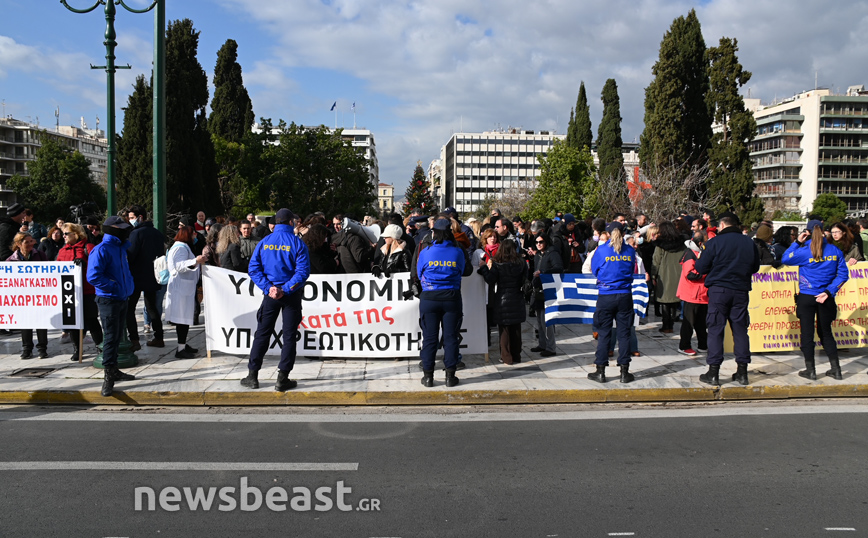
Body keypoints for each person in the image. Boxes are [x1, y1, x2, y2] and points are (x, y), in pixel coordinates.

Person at [240, 208, 310, 391]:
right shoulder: (298, 244)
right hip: (291, 295)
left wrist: (269, 288)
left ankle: (252, 375)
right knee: (289, 337)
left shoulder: (264, 242)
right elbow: (302, 272)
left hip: (270, 295)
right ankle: (282, 378)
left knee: (262, 333)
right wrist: (285, 289)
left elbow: (253, 269)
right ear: (290, 223)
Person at [693, 213, 760, 386]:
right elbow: (755, 267)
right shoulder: (749, 242)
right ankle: (742, 372)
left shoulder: (714, 242)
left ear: (722, 225)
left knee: (715, 329)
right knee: (740, 330)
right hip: (740, 290)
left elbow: (700, 267)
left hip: (719, 290)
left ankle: (714, 372)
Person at [782, 220, 849, 380]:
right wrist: (828, 292)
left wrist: (797, 242)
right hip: (826, 297)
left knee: (807, 334)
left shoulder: (804, 250)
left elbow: (785, 258)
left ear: (808, 232)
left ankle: (810, 370)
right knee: (826, 333)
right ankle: (836, 369)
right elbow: (843, 275)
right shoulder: (835, 250)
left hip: (806, 296)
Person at [416, 219, 472, 387]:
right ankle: (450, 376)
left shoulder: (426, 252)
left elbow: (420, 274)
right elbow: (463, 271)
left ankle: (428, 377)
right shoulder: (457, 252)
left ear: (434, 233)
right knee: (451, 338)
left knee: (430, 338)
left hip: (429, 298)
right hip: (451, 298)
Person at [86, 216, 137, 397]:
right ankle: (108, 376)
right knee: (110, 338)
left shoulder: (120, 248)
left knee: (115, 338)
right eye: (121, 228)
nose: (125, 231)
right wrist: (114, 286)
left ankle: (114, 369)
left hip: (122, 297)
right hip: (109, 299)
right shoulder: (102, 249)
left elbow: (124, 271)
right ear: (111, 229)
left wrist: (126, 286)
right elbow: (93, 276)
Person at [588, 222, 638, 383]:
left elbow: (595, 270)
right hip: (624, 294)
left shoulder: (601, 250)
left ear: (608, 234)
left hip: (606, 295)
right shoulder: (630, 250)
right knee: (624, 334)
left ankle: (600, 370)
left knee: (604, 333)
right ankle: (624, 371)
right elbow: (632, 270)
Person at [56, 223, 103, 361]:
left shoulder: (88, 248)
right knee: (73, 322)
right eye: (63, 233)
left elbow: (97, 266)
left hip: (88, 291)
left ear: (75, 234)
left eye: (66, 233)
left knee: (91, 319)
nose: (63, 236)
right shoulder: (63, 251)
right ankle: (77, 348)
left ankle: (100, 346)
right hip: (70, 292)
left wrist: (83, 263)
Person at [478, 239, 526, 365]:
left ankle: (506, 357)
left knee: (504, 330)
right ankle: (517, 356)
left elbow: (490, 279)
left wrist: (483, 268)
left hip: (502, 298)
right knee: (516, 329)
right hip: (517, 297)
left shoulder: (497, 264)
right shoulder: (521, 263)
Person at [125, 205, 166, 349]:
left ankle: (134, 340)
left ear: (140, 217)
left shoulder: (136, 234)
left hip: (136, 276)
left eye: (131, 218)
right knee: (152, 307)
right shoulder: (157, 233)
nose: (130, 221)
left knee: (129, 309)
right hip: (152, 275)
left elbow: (130, 254)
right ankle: (159, 337)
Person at [165, 226, 207, 359]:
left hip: (184, 287)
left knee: (185, 318)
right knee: (181, 319)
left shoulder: (183, 247)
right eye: (193, 235)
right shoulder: (180, 248)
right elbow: (179, 265)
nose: (195, 237)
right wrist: (196, 261)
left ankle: (182, 345)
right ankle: (180, 348)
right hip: (180, 289)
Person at [6, 233, 49, 358]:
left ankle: (42, 348)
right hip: (22, 297)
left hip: (39, 295)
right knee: (25, 322)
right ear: (19, 244)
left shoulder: (40, 255)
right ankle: (27, 348)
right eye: (27, 242)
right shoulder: (11, 260)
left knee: (41, 322)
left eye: (32, 241)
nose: (31, 244)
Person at [530, 232, 563, 357]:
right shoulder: (538, 255)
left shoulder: (552, 253)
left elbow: (559, 268)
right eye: (536, 242)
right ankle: (542, 344)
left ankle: (550, 347)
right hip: (538, 289)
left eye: (541, 242)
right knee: (539, 319)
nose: (538, 244)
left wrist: (543, 272)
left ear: (546, 242)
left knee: (547, 320)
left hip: (549, 290)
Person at [676, 232, 708, 356]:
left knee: (701, 322)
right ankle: (684, 346)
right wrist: (705, 273)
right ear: (700, 243)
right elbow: (690, 274)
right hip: (692, 293)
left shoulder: (700, 253)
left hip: (702, 294)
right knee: (688, 322)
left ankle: (703, 344)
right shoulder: (690, 254)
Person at [651, 221, 686, 334]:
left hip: (664, 274)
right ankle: (671, 323)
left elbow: (656, 261)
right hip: (679, 274)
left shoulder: (660, 245)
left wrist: (653, 275)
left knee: (665, 301)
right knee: (674, 300)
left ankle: (666, 325)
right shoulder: (682, 243)